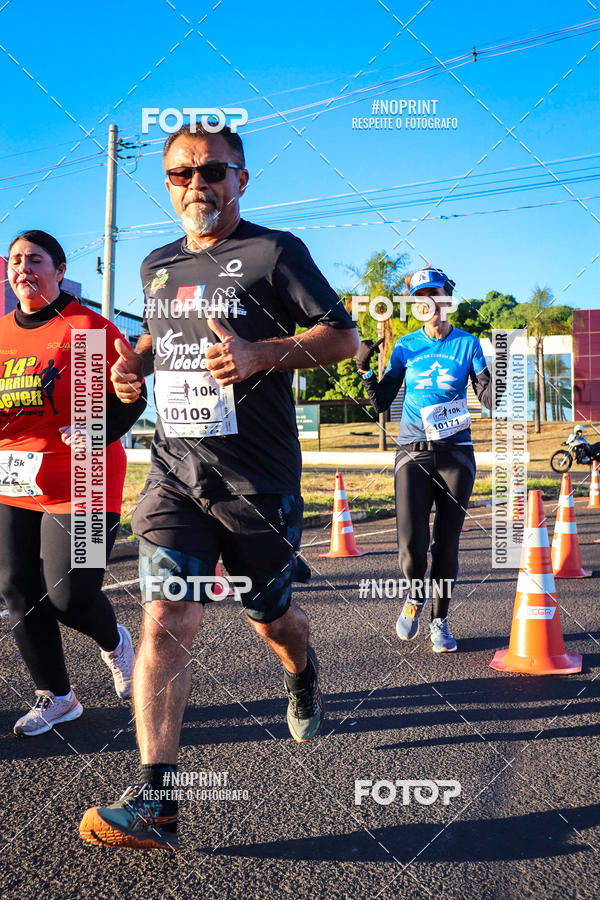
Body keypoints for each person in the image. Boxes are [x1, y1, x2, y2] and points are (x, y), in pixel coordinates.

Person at [79, 124, 359, 850]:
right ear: (167, 183)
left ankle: (303, 672)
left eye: (211, 171)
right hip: (176, 472)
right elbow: (159, 340)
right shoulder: (157, 264)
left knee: (272, 619)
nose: (196, 185)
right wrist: (133, 367)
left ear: (241, 178)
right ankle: (158, 802)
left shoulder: (275, 252)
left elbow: (343, 337)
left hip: (257, 481)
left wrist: (261, 353)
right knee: (166, 618)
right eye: (181, 174)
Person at [1, 230, 146, 736]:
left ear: (60, 271)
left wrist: (96, 431)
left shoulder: (88, 328)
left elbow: (133, 396)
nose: (23, 268)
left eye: (35, 260)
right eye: (15, 260)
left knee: (69, 597)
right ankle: (57, 697)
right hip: (14, 479)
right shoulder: (1, 333)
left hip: (84, 479)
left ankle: (116, 642)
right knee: (17, 588)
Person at [356, 267, 494, 653]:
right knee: (411, 546)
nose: (428, 302)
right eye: (420, 297)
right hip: (412, 453)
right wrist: (364, 370)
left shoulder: (468, 344)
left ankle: (439, 620)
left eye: (434, 293)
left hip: (456, 455)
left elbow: (490, 401)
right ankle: (415, 595)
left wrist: (495, 371)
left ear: (447, 297)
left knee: (445, 544)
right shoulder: (405, 346)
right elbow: (381, 402)